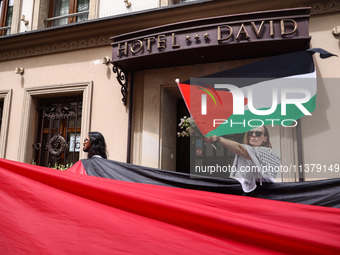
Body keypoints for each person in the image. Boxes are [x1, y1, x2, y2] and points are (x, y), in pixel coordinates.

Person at [205, 126, 280, 193]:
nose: (253, 135)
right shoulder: (246, 155)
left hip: (266, 193)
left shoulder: (267, 152)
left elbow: (240, 149)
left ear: (265, 139)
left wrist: (218, 138)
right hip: (250, 193)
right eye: (250, 133)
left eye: (258, 133)